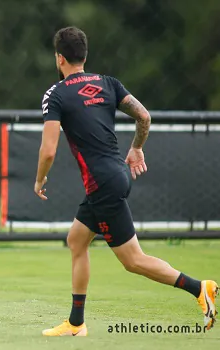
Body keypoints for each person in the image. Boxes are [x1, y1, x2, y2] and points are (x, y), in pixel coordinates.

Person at [34, 26, 218, 336]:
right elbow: (144, 116)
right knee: (77, 240)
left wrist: (40, 180)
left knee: (133, 260)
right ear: (84, 55)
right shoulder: (108, 83)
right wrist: (136, 149)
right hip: (115, 175)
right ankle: (76, 323)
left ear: (59, 58)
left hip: (102, 184)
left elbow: (49, 149)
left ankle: (200, 288)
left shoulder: (57, 93)